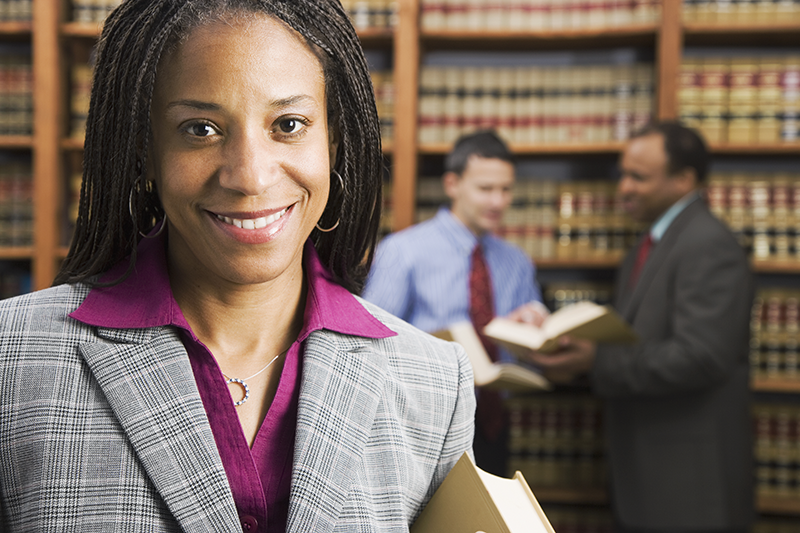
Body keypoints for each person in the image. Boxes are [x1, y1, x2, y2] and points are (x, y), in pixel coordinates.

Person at [0, 1, 476, 531]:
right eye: (200, 129)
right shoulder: (11, 359)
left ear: (334, 141)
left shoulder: (435, 383)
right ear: (145, 150)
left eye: (289, 124)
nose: (250, 176)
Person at [527, 122, 754, 533]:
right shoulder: (647, 247)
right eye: (623, 173)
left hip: (688, 487)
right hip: (648, 478)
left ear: (684, 179)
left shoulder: (708, 245)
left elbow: (702, 356)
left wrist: (595, 361)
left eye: (639, 177)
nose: (624, 188)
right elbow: (634, 338)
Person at [362, 130, 546, 477]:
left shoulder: (516, 262)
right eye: (485, 188)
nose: (498, 202)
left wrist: (535, 324)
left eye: (506, 190)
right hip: (424, 427)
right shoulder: (403, 253)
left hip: (494, 425)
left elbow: (536, 345)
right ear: (452, 184)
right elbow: (370, 345)